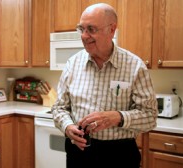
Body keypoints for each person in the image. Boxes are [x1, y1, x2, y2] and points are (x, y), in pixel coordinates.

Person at [51, 3, 158, 168]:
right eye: (82, 29)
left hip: (119, 155)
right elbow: (59, 108)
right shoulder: (72, 64)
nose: (85, 36)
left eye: (91, 29)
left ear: (112, 30)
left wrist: (118, 117)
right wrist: (67, 126)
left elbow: (150, 117)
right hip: (79, 152)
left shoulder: (135, 66)